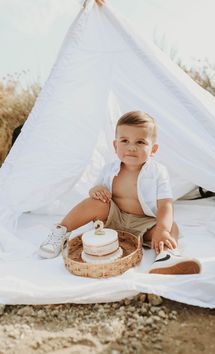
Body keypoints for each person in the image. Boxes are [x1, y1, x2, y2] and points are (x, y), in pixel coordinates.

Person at [39, 111, 201, 274]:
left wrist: (162, 229)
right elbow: (95, 190)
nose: (131, 147)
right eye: (125, 141)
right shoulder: (109, 169)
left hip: (144, 223)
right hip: (113, 219)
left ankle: (166, 256)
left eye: (140, 142)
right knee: (93, 203)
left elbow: (165, 205)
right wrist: (96, 191)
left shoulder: (158, 172)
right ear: (116, 145)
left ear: (153, 149)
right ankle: (60, 232)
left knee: (171, 226)